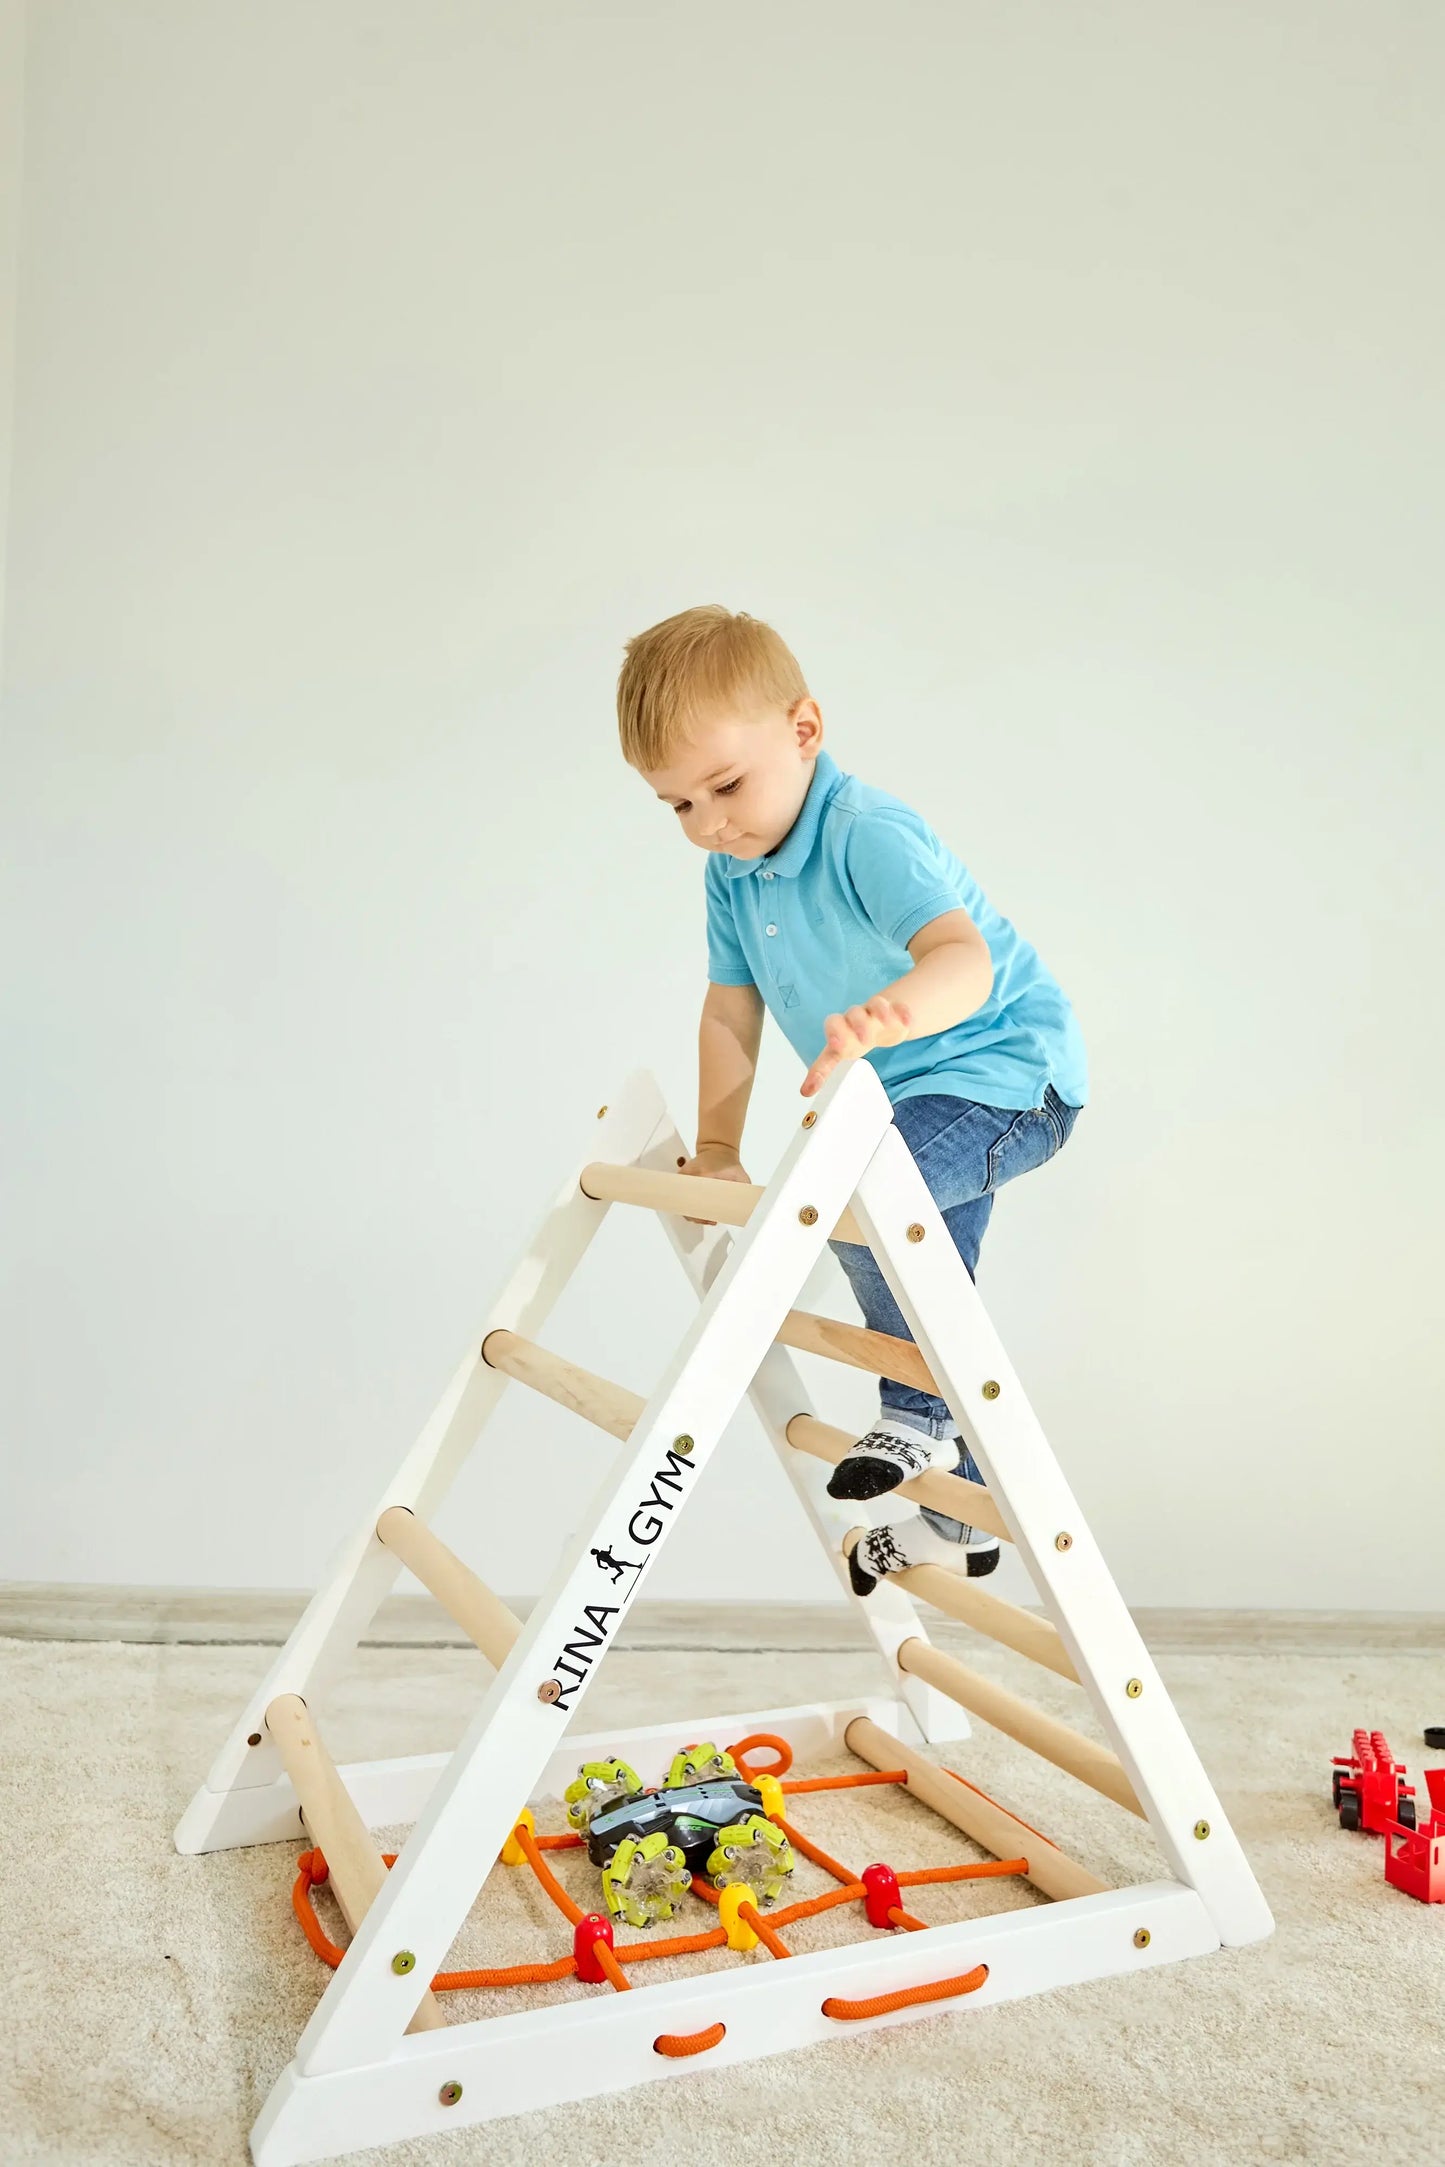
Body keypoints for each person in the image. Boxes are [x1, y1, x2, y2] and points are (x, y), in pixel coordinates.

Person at [616, 605, 1087, 1594]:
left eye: (726, 786)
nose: (709, 824)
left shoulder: (865, 832)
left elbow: (960, 957)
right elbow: (727, 1011)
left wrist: (887, 1018)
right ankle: (955, 1514)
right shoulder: (730, 875)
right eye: (678, 806)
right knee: (915, 1256)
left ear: (803, 730)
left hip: (1007, 1075)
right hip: (896, 1101)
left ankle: (915, 1418)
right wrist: (713, 1141)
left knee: (856, 1195)